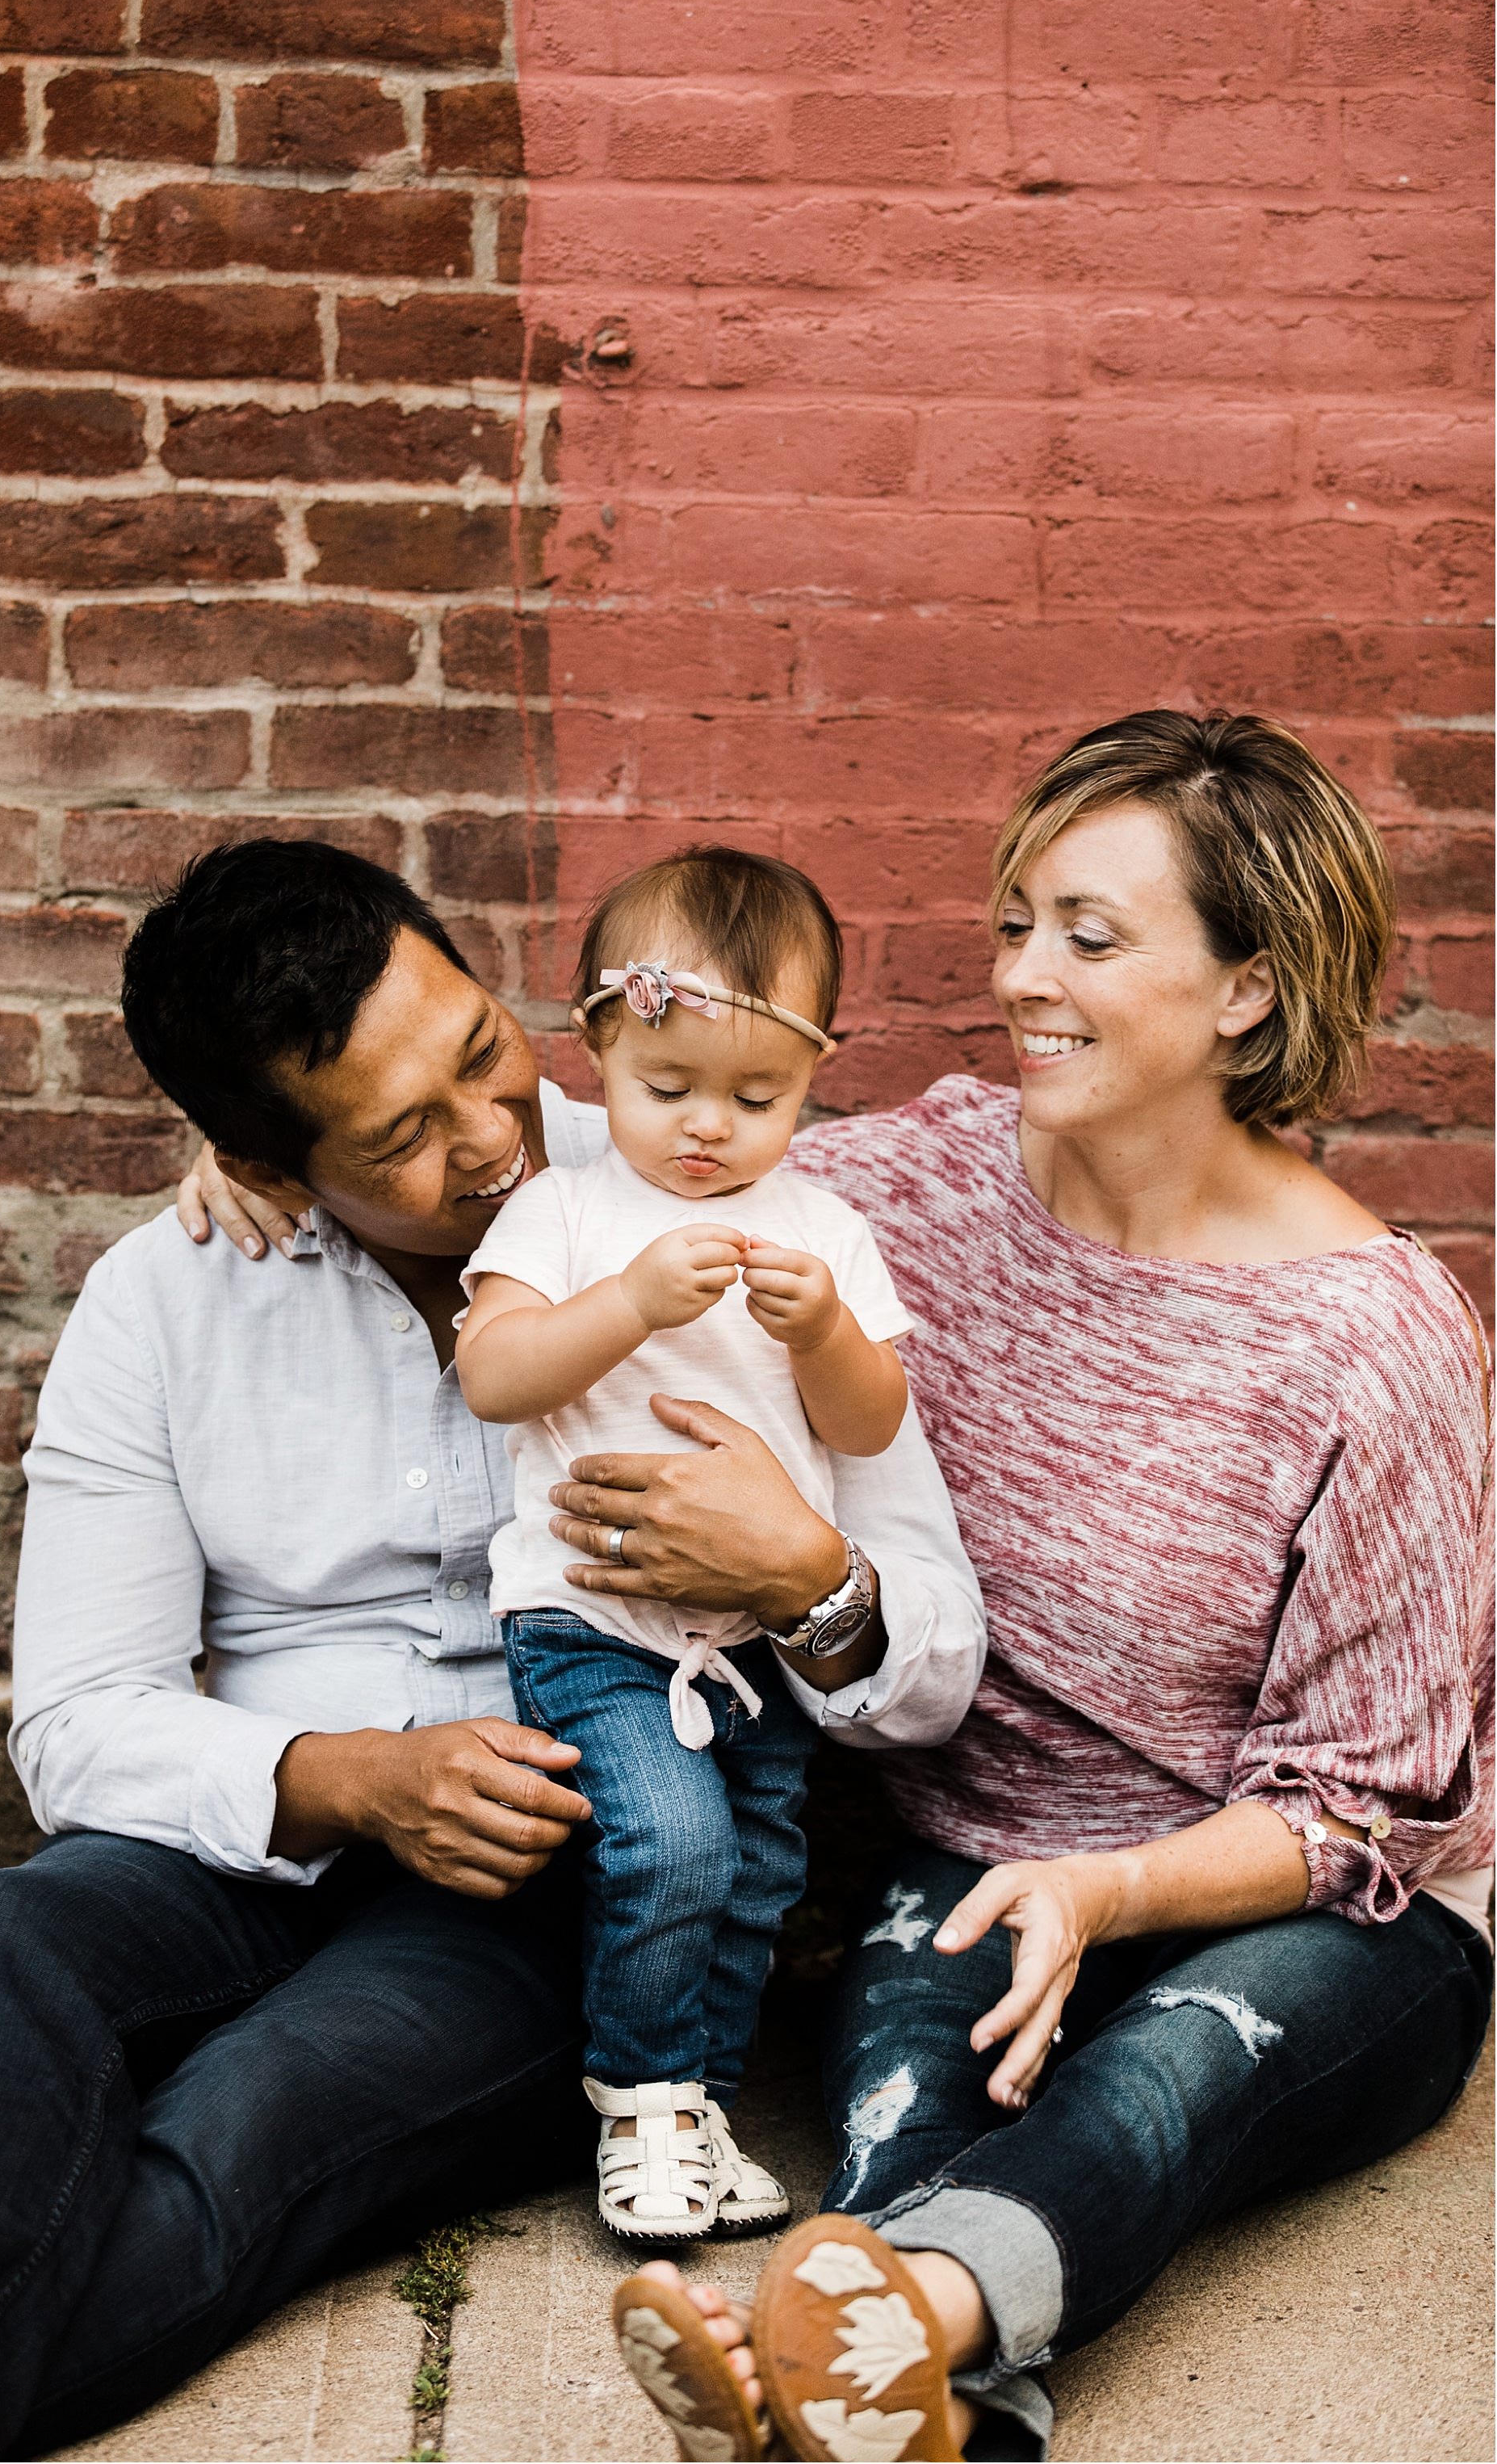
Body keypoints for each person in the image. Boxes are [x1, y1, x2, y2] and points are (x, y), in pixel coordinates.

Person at [0, 841, 984, 2464]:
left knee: (260, 2107)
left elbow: (935, 1654)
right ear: (268, 1159)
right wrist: (350, 1780)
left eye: (479, 1050)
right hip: (259, 1829)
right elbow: (79, 1723)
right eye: (403, 1134)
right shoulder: (164, 1299)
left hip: (547, 1888)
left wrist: (804, 1573)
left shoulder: (712, 1190)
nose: (491, 1135)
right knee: (12, 1936)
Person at [590, 711, 1493, 2464]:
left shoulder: (1372, 1340)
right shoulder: (916, 1183)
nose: (1020, 977)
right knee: (899, 2108)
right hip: (974, 1866)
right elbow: (609, 1160)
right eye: (1016, 924)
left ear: (1247, 984)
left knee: (1174, 2065)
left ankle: (851, 2348)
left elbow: (1366, 1809)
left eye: (1087, 934)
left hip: (1303, 1916)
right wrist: (267, 1159)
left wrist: (1112, 1886)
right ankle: (925, 2411)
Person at [456, 846, 975, 2243]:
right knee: (672, 1846)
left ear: (814, 1076)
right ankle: (637, 2101)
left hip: (750, 1642)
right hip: (592, 1620)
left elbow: (870, 1424)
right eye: (665, 1088)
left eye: (758, 1099)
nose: (707, 1131)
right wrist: (624, 1300)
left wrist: (824, 1333)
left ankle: (702, 2107)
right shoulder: (564, 1212)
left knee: (754, 1879)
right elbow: (496, 1373)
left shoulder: (824, 1230)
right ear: (601, 1044)